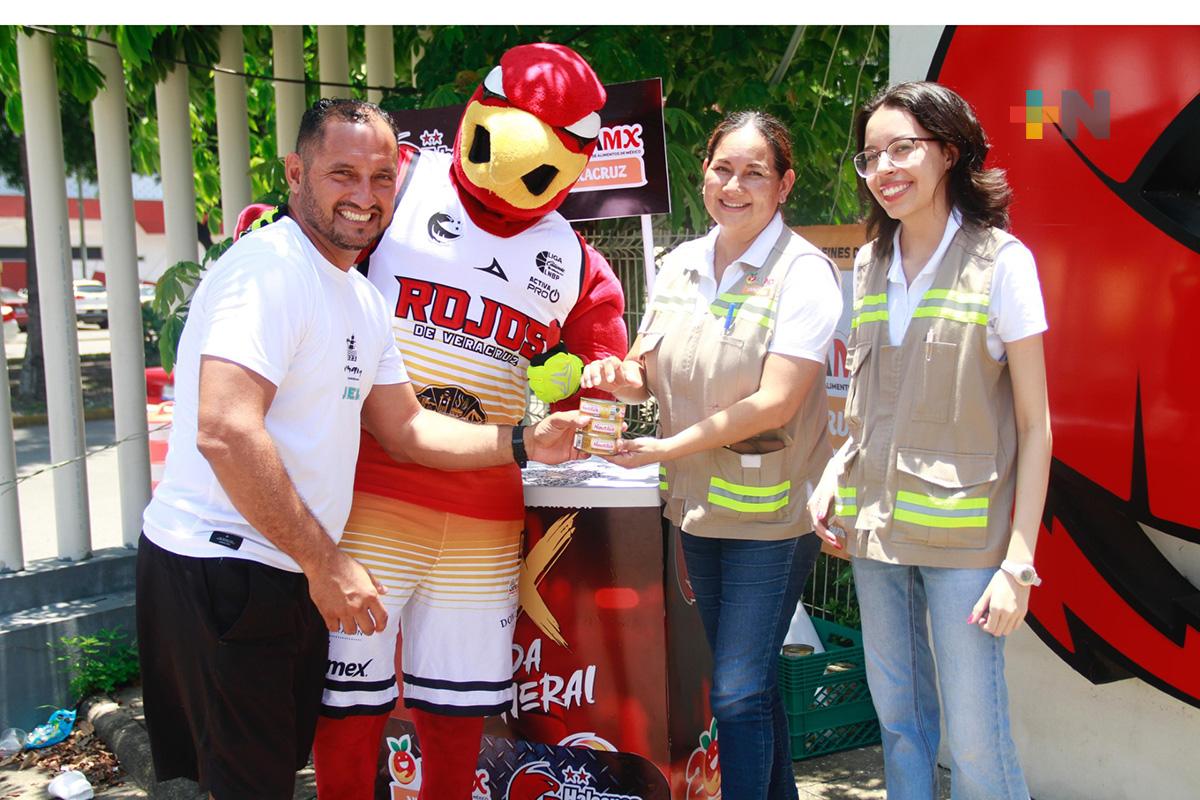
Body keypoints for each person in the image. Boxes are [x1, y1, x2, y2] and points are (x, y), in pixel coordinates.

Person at [136, 98, 587, 800]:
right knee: (249, 783)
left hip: (281, 567)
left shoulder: (358, 296)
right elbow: (226, 429)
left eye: (382, 178)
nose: (364, 196)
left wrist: (526, 442)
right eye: (342, 173)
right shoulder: (269, 271)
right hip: (223, 562)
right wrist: (326, 563)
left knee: (263, 775)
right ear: (295, 173)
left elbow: (406, 427)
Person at [300, 44, 628, 800]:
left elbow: (604, 371)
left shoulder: (571, 258)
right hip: (363, 498)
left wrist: (609, 379)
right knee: (349, 706)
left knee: (456, 711)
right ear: (474, 120)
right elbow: (308, 253)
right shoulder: (401, 184)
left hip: (482, 516)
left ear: (571, 166)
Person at [583, 110, 843, 800]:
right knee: (748, 689)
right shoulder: (677, 266)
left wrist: (669, 445)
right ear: (704, 172)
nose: (734, 184)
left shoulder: (805, 274)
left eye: (755, 173)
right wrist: (617, 377)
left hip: (775, 520)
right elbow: (646, 369)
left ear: (784, 186)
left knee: (733, 694)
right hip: (699, 512)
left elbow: (777, 401)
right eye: (722, 168)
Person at [807, 82, 1052, 800]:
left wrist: (1020, 564)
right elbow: (868, 402)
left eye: (902, 148)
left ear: (948, 152)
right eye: (870, 155)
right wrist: (831, 478)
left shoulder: (1003, 262)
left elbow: (1037, 426)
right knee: (901, 725)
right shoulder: (871, 264)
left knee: (976, 743)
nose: (884, 167)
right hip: (876, 533)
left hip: (965, 544)